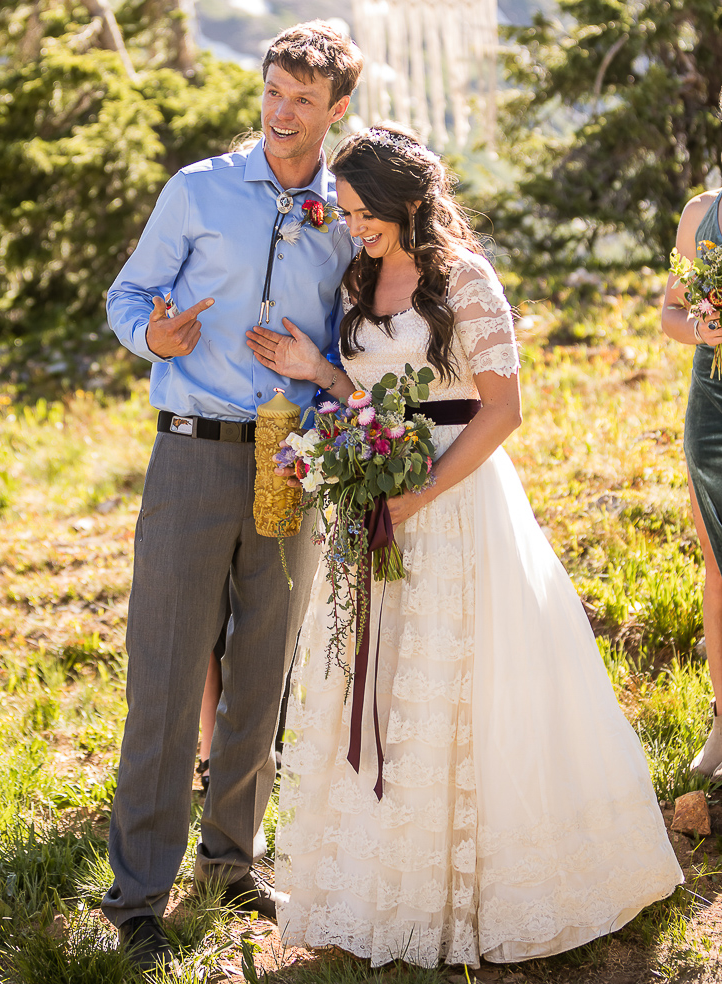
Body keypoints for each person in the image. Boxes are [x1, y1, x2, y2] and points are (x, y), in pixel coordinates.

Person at [247, 125, 682, 969]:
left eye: (363, 212)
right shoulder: (359, 275)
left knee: (462, 684)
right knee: (378, 682)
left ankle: (486, 884)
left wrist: (420, 493)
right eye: (344, 212)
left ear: (408, 202)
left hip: (452, 503)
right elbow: (371, 393)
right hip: (377, 502)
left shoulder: (465, 281)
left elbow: (501, 411)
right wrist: (322, 371)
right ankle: (381, 883)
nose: (353, 225)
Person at [102, 21, 364, 974]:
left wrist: (321, 368)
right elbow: (126, 298)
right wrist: (153, 338)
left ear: (338, 111)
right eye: (271, 93)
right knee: (166, 680)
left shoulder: (349, 211)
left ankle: (229, 862)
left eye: (302, 101)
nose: (281, 115)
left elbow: (364, 337)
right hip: (191, 454)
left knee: (263, 672)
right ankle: (136, 895)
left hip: (292, 458)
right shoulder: (197, 189)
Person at [662, 186, 722, 776]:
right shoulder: (703, 215)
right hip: (715, 409)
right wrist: (704, 329)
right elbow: (671, 314)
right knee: (717, 560)